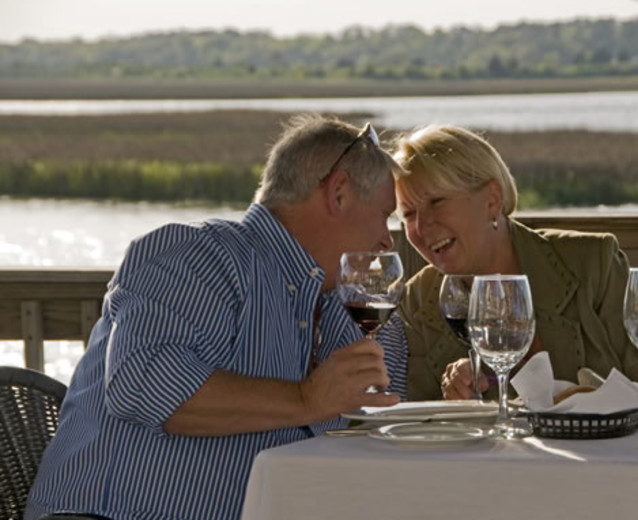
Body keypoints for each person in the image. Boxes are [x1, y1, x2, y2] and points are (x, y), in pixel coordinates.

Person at [25, 114, 408, 520]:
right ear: (340, 193)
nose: (387, 239)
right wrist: (306, 399)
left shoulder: (342, 304)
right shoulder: (197, 255)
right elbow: (142, 384)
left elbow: (381, 425)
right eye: (385, 214)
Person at [391, 124, 638, 401]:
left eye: (437, 202)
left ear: (492, 200)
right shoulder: (418, 302)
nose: (422, 225)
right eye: (408, 213)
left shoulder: (593, 266)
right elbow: (417, 423)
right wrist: (456, 395)